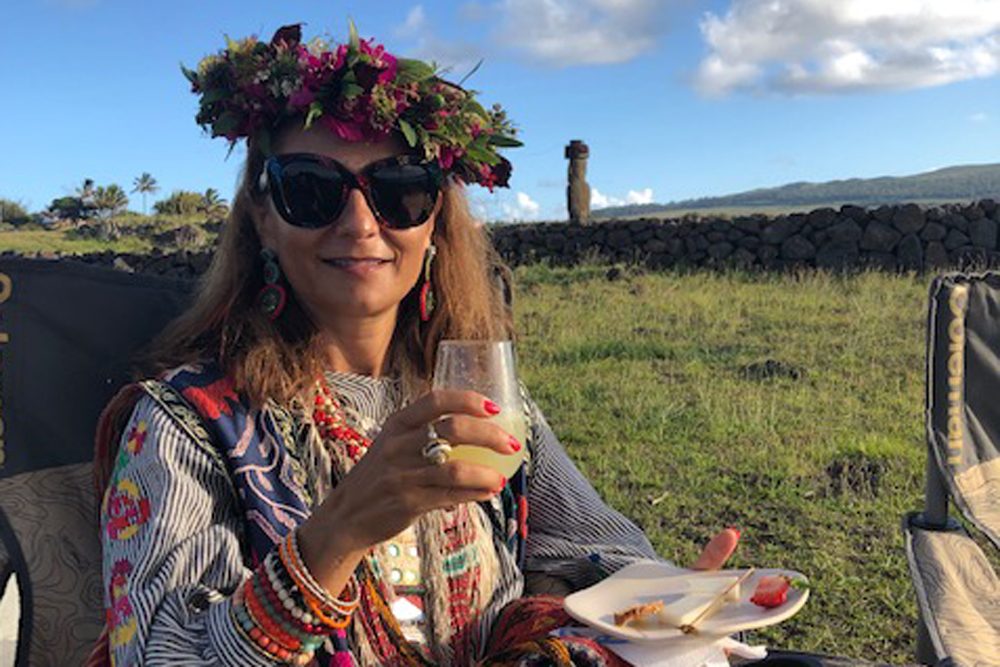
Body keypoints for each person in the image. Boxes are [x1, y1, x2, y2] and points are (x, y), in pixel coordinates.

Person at [92, 23, 739, 666]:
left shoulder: (478, 399)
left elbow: (602, 547)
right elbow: (157, 653)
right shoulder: (188, 426)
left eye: (399, 190)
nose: (360, 223)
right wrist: (337, 532)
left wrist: (671, 601)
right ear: (263, 217)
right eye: (311, 189)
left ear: (433, 221)